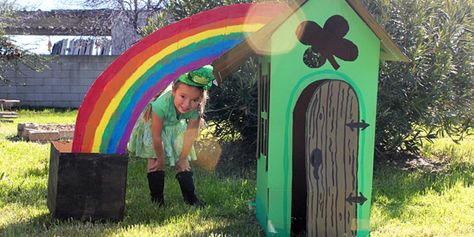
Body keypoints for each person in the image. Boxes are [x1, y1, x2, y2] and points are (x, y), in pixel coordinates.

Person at [127, 65, 216, 207]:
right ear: (174, 91)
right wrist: (161, 160)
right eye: (183, 96)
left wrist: (181, 158)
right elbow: (156, 137)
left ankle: (191, 200)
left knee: (184, 162)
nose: (187, 104)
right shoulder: (160, 105)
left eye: (194, 100)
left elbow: (189, 135)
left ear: (200, 99)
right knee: (155, 162)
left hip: (174, 126)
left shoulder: (195, 110)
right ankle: (157, 202)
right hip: (154, 126)